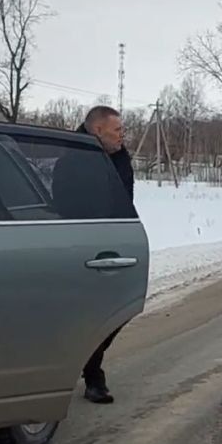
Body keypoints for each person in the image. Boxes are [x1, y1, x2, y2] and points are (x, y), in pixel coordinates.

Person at [70, 105, 134, 404]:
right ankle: (88, 374)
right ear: (97, 130)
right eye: (117, 130)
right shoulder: (71, 158)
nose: (123, 136)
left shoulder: (120, 157)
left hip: (112, 244)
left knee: (118, 311)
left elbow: (125, 198)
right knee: (78, 315)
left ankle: (90, 363)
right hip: (77, 247)